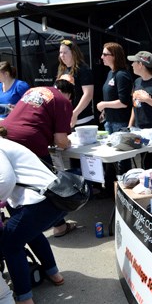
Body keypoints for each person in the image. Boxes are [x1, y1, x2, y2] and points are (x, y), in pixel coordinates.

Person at [1, 76, 77, 237]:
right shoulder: (63, 102)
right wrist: (68, 143)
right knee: (52, 186)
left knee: (17, 183)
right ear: (69, 95)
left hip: (5, 135)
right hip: (31, 141)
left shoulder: (34, 90)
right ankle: (44, 226)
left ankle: (23, 223)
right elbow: (61, 141)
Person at [0, 126, 66, 304]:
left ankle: (24, 299)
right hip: (53, 198)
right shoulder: (7, 143)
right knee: (32, 233)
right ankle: (54, 274)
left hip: (37, 201)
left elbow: (6, 181)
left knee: (10, 245)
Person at [96, 42, 133, 195]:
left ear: (114, 56)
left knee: (122, 159)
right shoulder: (110, 73)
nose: (102, 57)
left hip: (120, 123)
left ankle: (125, 192)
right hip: (109, 121)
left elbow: (124, 103)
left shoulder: (122, 75)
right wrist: (105, 110)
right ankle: (111, 189)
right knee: (110, 157)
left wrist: (104, 104)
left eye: (105, 54)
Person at [57, 39, 94, 127]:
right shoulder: (62, 69)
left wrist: (74, 113)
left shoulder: (83, 69)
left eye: (65, 52)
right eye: (60, 52)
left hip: (82, 120)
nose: (62, 55)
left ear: (73, 53)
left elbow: (88, 94)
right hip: (66, 119)